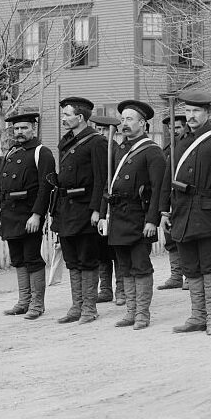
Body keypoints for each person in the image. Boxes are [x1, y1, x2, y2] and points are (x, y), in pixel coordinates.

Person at [159, 91, 211, 336]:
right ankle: (197, 316)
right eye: (188, 111)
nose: (191, 116)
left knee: (210, 266)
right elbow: (167, 178)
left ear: (208, 113)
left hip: (207, 213)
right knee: (190, 267)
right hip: (182, 213)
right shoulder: (180, 140)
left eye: (196, 111)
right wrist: (164, 211)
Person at [99, 100, 166, 329]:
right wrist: (103, 214)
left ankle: (142, 314)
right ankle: (130, 312)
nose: (125, 123)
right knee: (124, 266)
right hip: (118, 216)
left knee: (141, 266)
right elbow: (108, 184)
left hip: (139, 217)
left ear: (143, 123)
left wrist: (152, 220)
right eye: (123, 119)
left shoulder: (152, 151)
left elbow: (159, 189)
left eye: (130, 119)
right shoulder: (119, 148)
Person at [0, 112, 56, 320]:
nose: (20, 132)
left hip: (29, 215)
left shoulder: (42, 153)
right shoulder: (11, 153)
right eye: (16, 129)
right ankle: (23, 302)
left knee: (32, 258)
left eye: (24, 128)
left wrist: (37, 215)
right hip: (9, 215)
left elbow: (46, 187)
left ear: (33, 129)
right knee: (18, 259)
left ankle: (37, 304)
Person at [53, 97, 108, 324]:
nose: (63, 119)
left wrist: (97, 210)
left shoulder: (97, 142)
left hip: (85, 209)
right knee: (72, 260)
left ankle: (89, 308)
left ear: (81, 118)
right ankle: (77, 306)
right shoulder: (66, 142)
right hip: (65, 209)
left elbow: (101, 180)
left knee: (87, 259)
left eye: (67, 115)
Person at [90, 114, 123, 305]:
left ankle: (121, 289)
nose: (102, 133)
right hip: (100, 203)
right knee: (102, 251)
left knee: (116, 252)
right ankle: (105, 288)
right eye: (99, 129)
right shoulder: (98, 149)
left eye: (105, 130)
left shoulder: (116, 151)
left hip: (114, 205)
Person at [157, 113, 189, 290]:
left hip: (184, 195)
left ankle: (190, 276)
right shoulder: (168, 147)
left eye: (177, 128)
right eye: (170, 128)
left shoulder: (188, 145)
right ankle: (176, 274)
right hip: (169, 195)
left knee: (185, 236)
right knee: (170, 236)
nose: (173, 131)